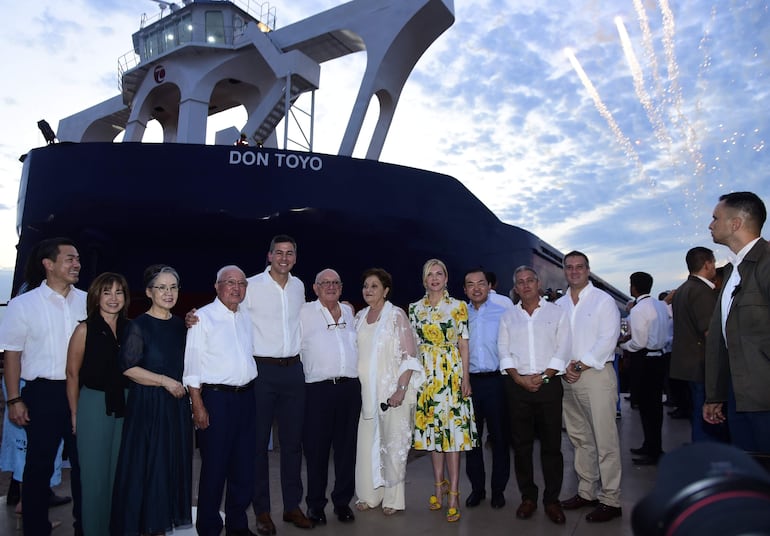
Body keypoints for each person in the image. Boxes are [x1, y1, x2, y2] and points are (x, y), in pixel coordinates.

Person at [0, 237, 85, 535]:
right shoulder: (23, 305)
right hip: (43, 393)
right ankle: (36, 528)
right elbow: (12, 354)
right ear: (48, 264)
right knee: (38, 465)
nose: (77, 263)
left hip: (83, 394)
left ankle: (84, 527)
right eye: (69, 258)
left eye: (77, 258)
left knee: (83, 466)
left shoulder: (88, 300)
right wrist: (14, 399)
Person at [110, 265, 192, 535]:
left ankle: (162, 521)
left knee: (170, 466)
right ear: (148, 292)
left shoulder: (181, 326)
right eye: (162, 287)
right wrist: (165, 381)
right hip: (148, 407)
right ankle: (146, 525)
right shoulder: (138, 326)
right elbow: (128, 367)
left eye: (173, 287)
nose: (168, 293)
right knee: (148, 467)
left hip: (175, 407)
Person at [245, 235, 312, 534]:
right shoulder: (251, 286)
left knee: (293, 443)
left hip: (293, 371)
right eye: (279, 253)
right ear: (269, 255)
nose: (284, 258)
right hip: (261, 371)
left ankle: (291, 506)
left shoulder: (299, 287)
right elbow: (227, 311)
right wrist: (196, 318)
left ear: (295, 258)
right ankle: (261, 511)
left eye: (290, 253)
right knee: (258, 445)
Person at [183, 265, 257, 536]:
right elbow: (191, 368)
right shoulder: (202, 318)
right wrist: (198, 405)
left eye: (241, 283)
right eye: (229, 282)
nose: (236, 288)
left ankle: (238, 525)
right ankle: (209, 528)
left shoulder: (246, 317)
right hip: (216, 401)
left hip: (247, 399)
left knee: (243, 467)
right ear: (217, 286)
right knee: (214, 469)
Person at [498, 266, 570, 525]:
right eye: (520, 282)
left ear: (538, 283)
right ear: (515, 288)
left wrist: (545, 376)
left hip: (548, 384)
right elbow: (503, 351)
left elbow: (563, 348)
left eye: (530, 281)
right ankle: (528, 497)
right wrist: (519, 379)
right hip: (517, 387)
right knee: (522, 446)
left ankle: (552, 500)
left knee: (551, 446)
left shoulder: (557, 313)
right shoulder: (508, 317)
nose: (526, 285)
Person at [556, 250, 623, 523]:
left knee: (605, 439)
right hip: (567, 378)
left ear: (588, 269)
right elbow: (556, 341)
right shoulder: (559, 305)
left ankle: (611, 499)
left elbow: (607, 340)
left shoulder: (603, 301)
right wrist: (564, 368)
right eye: (569, 267)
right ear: (564, 270)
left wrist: (579, 366)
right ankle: (587, 491)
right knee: (580, 439)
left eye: (579, 267)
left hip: (595, 376)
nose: (574, 271)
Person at [409, 259, 477, 523]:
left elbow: (464, 345)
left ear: (446, 279)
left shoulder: (458, 307)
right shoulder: (415, 309)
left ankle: (455, 493)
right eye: (430, 275)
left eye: (439, 274)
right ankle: (438, 486)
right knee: (432, 435)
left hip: (451, 375)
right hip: (426, 377)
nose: (435, 279)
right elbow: (413, 347)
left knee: (453, 436)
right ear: (424, 280)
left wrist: (466, 379)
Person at [354, 268, 424, 515]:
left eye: (374, 286)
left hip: (392, 395)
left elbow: (409, 356)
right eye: (365, 286)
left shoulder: (396, 316)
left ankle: (393, 499)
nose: (368, 290)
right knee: (366, 445)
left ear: (385, 290)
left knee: (393, 446)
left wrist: (400, 390)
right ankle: (369, 495)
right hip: (366, 397)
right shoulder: (360, 317)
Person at [704, 192, 770, 453]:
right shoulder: (733, 272)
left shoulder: (766, 262)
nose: (711, 225)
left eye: (715, 218)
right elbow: (723, 339)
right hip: (739, 395)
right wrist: (716, 395)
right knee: (751, 474)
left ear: (735, 224)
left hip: (764, 397)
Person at [65, 272, 130, 536]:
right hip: (92, 404)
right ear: (96, 296)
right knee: (94, 479)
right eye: (107, 292)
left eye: (118, 292)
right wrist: (75, 413)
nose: (113, 298)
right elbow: (72, 374)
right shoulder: (84, 329)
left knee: (118, 476)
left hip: (125, 405)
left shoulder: (131, 328)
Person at [300, 269, 360, 525]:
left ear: (342, 286)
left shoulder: (349, 312)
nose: (331, 286)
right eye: (325, 283)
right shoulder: (303, 313)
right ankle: (315, 505)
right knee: (317, 451)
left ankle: (342, 502)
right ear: (315, 288)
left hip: (349, 389)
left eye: (336, 282)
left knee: (347, 450)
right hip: (317, 391)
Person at [461, 268, 511, 509]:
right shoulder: (460, 315)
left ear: (489, 286)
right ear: (465, 290)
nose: (476, 288)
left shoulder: (504, 313)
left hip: (497, 381)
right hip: (470, 384)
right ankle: (477, 489)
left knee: (500, 438)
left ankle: (498, 490)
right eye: (470, 284)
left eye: (481, 283)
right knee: (472, 440)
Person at [670, 247, 729, 443]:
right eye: (713, 262)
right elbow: (710, 333)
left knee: (698, 413)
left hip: (688, 364)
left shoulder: (682, 290)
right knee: (708, 418)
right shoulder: (702, 292)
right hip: (703, 364)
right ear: (707, 264)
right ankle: (707, 463)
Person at [620, 272, 671, 466]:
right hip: (659, 358)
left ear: (633, 287)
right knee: (655, 408)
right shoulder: (661, 305)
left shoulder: (638, 309)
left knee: (645, 408)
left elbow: (638, 343)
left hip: (644, 361)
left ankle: (652, 451)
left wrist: (622, 346)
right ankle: (652, 445)